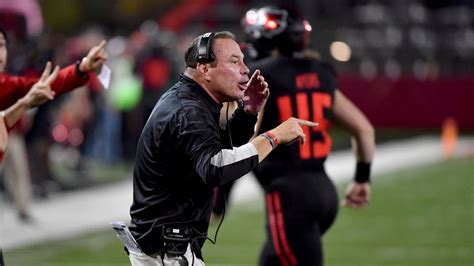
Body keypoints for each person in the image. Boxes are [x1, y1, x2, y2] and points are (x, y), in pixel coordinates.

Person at [127, 31, 318, 265]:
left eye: (243, 60)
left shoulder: (189, 99)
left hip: (162, 245)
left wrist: (248, 114)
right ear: (205, 68)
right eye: (234, 61)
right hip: (166, 251)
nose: (246, 69)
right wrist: (274, 136)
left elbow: (219, 148)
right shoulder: (189, 109)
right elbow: (215, 167)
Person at [240, 6, 376, 266]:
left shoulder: (263, 74)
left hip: (290, 196)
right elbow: (364, 129)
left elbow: (245, 138)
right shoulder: (321, 72)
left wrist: (217, 197)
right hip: (324, 190)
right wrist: (362, 179)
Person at [0, 26, 107, 221]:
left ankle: (23, 209)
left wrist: (81, 68)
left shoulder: (6, 83)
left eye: (2, 45)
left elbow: (45, 86)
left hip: (12, 136)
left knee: (19, 171)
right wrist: (24, 105)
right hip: (10, 134)